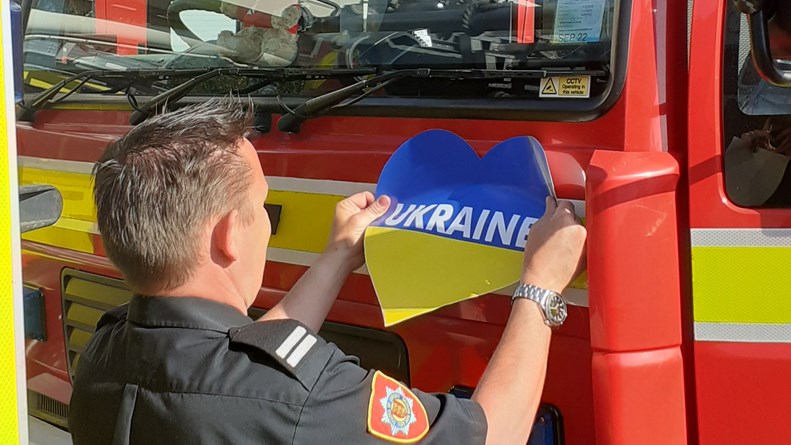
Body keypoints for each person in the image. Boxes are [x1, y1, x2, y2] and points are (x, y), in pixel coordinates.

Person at [68, 98, 587, 444]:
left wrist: (337, 257)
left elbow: (241, 364)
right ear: (229, 234)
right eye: (262, 210)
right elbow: (491, 435)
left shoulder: (103, 353)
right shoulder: (306, 400)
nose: (267, 230)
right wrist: (540, 288)